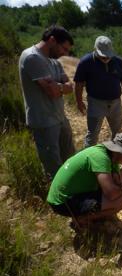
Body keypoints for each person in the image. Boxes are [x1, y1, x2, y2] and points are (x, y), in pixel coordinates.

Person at [47, 133, 122, 227]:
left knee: (120, 192)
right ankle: (81, 219)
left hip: (70, 194)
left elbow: (119, 184)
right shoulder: (101, 158)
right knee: (120, 201)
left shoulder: (111, 157)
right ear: (119, 151)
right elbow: (112, 194)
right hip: (61, 202)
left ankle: (92, 214)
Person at [18, 25, 75, 179]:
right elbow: (52, 92)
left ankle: (74, 196)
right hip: (44, 121)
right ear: (52, 40)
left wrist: (59, 87)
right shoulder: (32, 57)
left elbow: (69, 87)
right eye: (63, 48)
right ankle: (60, 202)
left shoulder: (54, 62)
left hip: (60, 117)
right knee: (54, 168)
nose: (64, 53)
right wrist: (61, 87)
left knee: (70, 160)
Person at [74, 36, 122, 148]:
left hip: (115, 103)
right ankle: (88, 159)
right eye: (102, 54)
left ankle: (115, 158)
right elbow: (79, 84)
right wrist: (79, 101)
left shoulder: (118, 62)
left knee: (117, 133)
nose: (105, 57)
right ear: (95, 49)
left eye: (107, 54)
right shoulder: (86, 62)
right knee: (93, 135)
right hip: (95, 103)